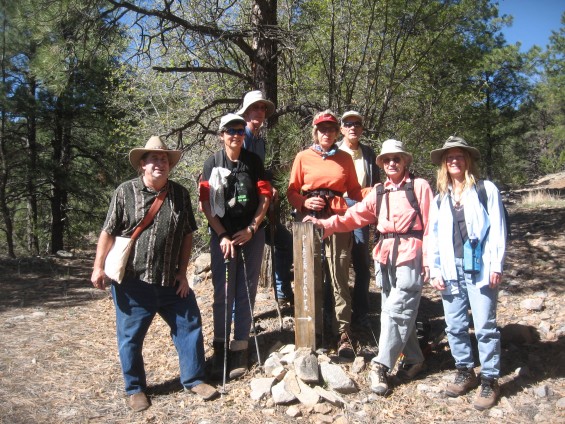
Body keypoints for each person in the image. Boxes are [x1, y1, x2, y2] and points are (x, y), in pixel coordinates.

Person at [90, 136, 218, 412]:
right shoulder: (125, 192)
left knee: (189, 325)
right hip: (133, 282)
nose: (160, 163)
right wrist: (98, 266)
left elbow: (187, 235)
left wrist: (183, 274)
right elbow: (108, 231)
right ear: (142, 165)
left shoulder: (180, 194)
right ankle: (135, 388)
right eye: (154, 159)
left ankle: (194, 379)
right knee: (131, 338)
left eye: (164, 159)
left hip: (170, 280)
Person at [305, 139, 433, 395]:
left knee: (395, 311)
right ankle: (415, 358)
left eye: (397, 158)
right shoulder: (379, 192)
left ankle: (381, 365)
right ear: (382, 164)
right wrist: (326, 225)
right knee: (393, 310)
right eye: (387, 160)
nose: (392, 163)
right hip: (385, 257)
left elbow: (432, 224)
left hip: (411, 255)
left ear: (405, 161)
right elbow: (355, 216)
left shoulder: (419, 187)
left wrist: (429, 259)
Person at [428, 136, 506, 410]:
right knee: (455, 325)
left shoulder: (486, 190)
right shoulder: (440, 199)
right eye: (449, 157)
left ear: (468, 160)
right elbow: (433, 237)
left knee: (485, 325)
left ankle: (490, 379)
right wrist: (434, 268)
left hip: (480, 267)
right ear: (444, 164)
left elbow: (497, 228)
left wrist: (496, 265)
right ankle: (464, 370)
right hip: (450, 269)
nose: (454, 160)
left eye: (459, 156)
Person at [199, 113, 271, 380]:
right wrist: (222, 236)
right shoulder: (212, 163)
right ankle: (220, 347)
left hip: (251, 234)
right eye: (230, 131)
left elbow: (265, 197)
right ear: (221, 135)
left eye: (240, 131)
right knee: (223, 291)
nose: (236, 135)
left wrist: (252, 228)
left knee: (247, 290)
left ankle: (240, 346)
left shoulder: (253, 162)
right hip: (224, 236)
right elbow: (206, 204)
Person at [287, 110, 363, 358]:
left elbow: (355, 192)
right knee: (311, 273)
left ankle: (343, 333)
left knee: (339, 273)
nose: (326, 133)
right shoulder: (303, 157)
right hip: (309, 220)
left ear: (335, 131)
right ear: (315, 131)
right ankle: (313, 331)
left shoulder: (345, 158)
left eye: (331, 129)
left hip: (338, 220)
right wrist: (304, 203)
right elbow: (292, 190)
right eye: (322, 129)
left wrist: (373, 199)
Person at [237, 90, 294, 307]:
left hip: (259, 207)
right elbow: (242, 173)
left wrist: (270, 185)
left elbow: (259, 171)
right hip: (243, 208)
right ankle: (242, 315)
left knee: (284, 241)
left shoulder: (259, 140)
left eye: (262, 108)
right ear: (246, 111)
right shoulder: (241, 136)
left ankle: (281, 291)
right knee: (245, 263)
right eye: (255, 108)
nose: (260, 112)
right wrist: (266, 188)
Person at [338, 111, 380, 328]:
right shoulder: (334, 152)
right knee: (338, 262)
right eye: (348, 124)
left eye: (357, 124)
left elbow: (375, 184)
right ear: (342, 128)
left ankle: (362, 311)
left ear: (362, 129)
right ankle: (336, 311)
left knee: (361, 261)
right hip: (338, 208)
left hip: (362, 208)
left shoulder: (369, 154)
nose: (353, 127)